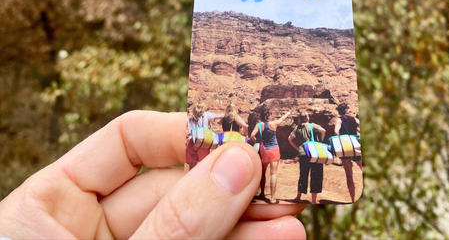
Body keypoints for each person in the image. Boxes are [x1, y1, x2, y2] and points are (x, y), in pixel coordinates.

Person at [0, 111, 306, 240]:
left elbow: (247, 128)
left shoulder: (256, 125)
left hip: (260, 149)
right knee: (273, 179)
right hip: (268, 150)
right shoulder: (267, 126)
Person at [250, 108, 292, 204]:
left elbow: (252, 135)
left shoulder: (259, 125)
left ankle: (262, 193)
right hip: (274, 150)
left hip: (264, 150)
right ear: (267, 116)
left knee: (263, 172)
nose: (271, 116)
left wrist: (255, 138)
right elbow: (282, 119)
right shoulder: (274, 124)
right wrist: (288, 113)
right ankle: (272, 198)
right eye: (270, 114)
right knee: (273, 174)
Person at [288, 111, 326, 205]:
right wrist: (320, 141)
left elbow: (290, 139)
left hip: (303, 153)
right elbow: (323, 130)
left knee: (303, 175)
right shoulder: (312, 125)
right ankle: (313, 200)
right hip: (314, 153)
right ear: (307, 118)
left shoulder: (297, 128)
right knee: (316, 175)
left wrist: (298, 148)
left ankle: (298, 197)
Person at [334, 103, 361, 203]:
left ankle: (353, 199)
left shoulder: (339, 119)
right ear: (346, 110)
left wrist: (339, 141)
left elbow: (336, 131)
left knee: (349, 175)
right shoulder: (354, 119)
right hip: (355, 146)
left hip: (346, 148)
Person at [186, 101, 223, 169]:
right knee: (203, 164)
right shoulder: (206, 115)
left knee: (192, 164)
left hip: (191, 141)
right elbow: (219, 116)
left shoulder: (189, 118)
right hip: (203, 141)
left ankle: (192, 178)